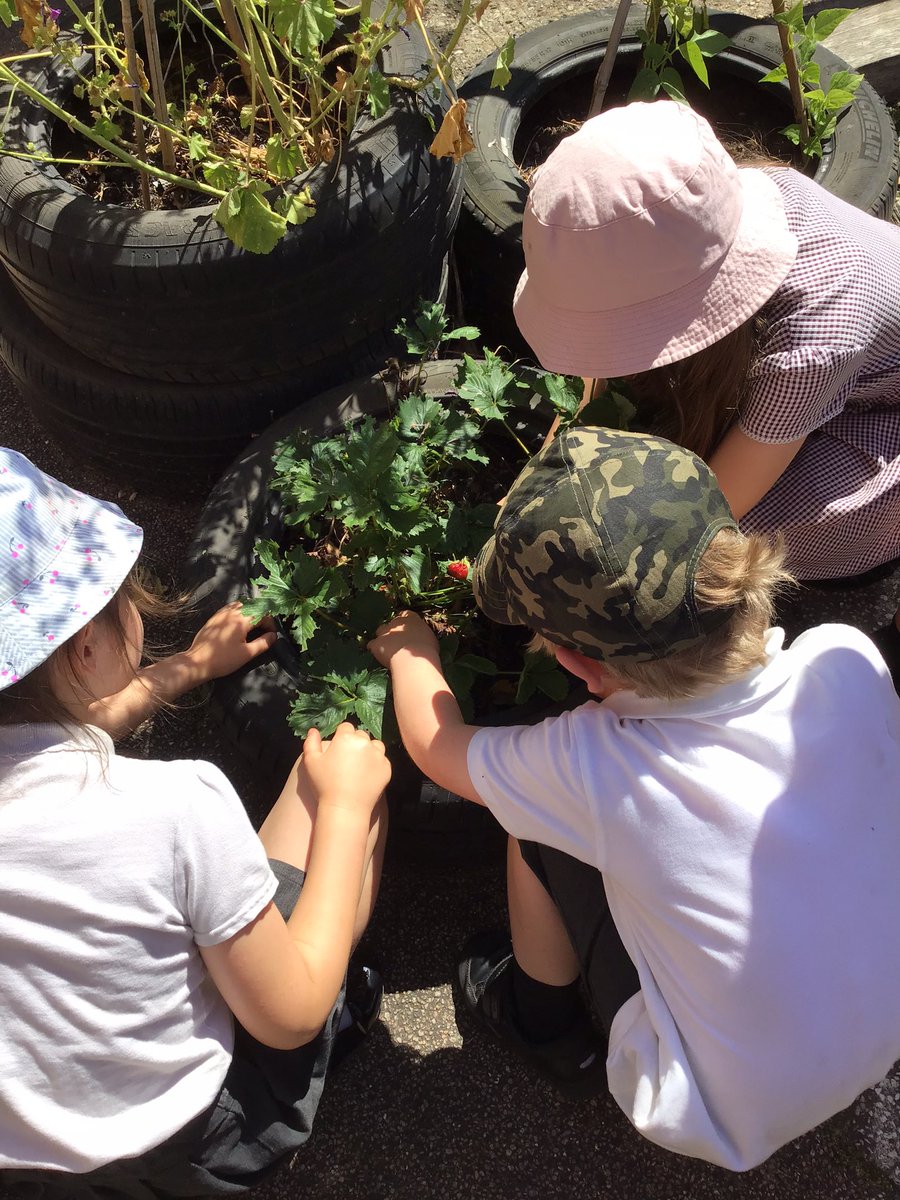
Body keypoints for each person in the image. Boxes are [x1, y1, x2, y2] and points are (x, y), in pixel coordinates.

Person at [369, 424, 900, 1172]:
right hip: (882, 1018)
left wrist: (410, 651)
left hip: (720, 1110)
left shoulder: (590, 767)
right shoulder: (845, 656)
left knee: (536, 822)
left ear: (578, 665)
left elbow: (436, 746)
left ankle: (541, 1023)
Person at [0, 446, 390, 1196]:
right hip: (187, 1145)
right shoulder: (177, 807)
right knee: (337, 793)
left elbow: (57, 734)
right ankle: (334, 1019)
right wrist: (344, 807)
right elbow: (289, 1016)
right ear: (86, 645)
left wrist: (188, 668)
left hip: (25, 1165)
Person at [513, 99, 900, 663]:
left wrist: (577, 589)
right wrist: (540, 480)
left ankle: (870, 559)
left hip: (884, 416)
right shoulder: (697, 211)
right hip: (838, 377)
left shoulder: (813, 342)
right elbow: (600, 379)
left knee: (733, 538)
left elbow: (709, 508)